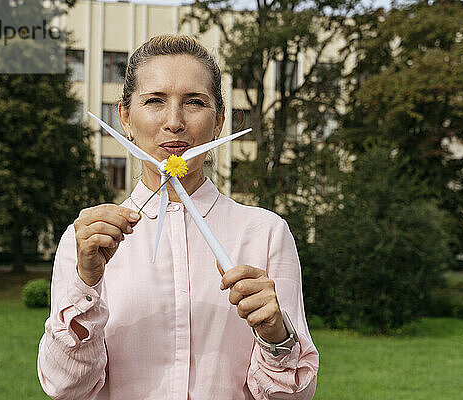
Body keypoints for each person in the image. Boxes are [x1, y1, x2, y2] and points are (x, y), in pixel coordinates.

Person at [37, 35, 319, 400]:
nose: (174, 122)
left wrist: (276, 336)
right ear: (125, 117)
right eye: (154, 101)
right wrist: (86, 284)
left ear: (218, 122)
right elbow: (64, 387)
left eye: (194, 103)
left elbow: (293, 397)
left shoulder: (266, 234)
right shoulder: (87, 242)